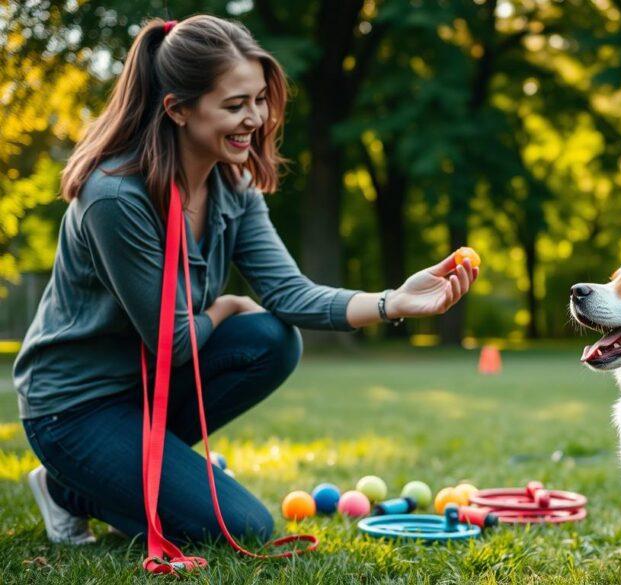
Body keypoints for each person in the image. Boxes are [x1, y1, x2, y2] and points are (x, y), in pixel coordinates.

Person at [13, 15, 478, 545]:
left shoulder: (232, 185)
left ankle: (92, 482)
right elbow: (175, 342)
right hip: (75, 408)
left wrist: (395, 301)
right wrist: (229, 305)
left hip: (144, 393)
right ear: (178, 110)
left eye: (259, 99)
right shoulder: (117, 198)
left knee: (273, 338)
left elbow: (290, 294)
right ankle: (71, 481)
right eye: (235, 105)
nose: (255, 118)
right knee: (244, 527)